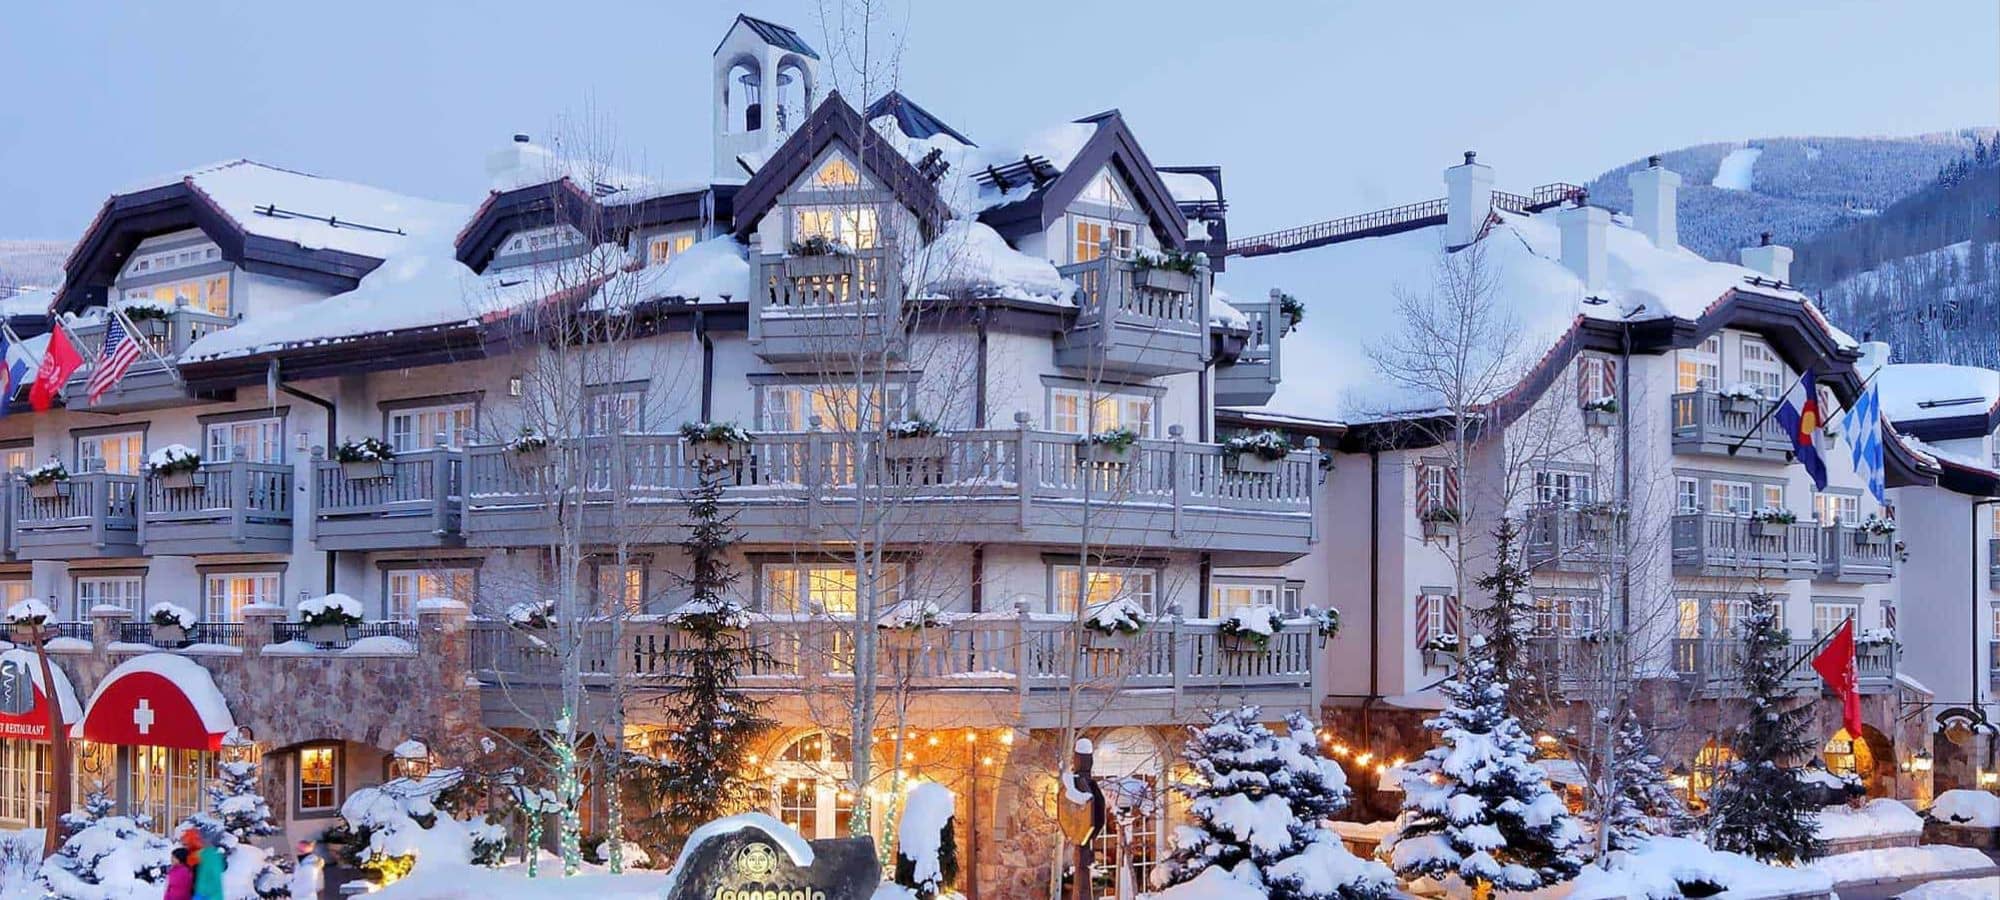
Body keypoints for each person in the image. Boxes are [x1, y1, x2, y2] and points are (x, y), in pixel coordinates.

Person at [183, 829, 227, 900]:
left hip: (202, 892)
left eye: (186, 843)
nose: (185, 845)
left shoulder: (197, 855)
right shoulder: (211, 854)